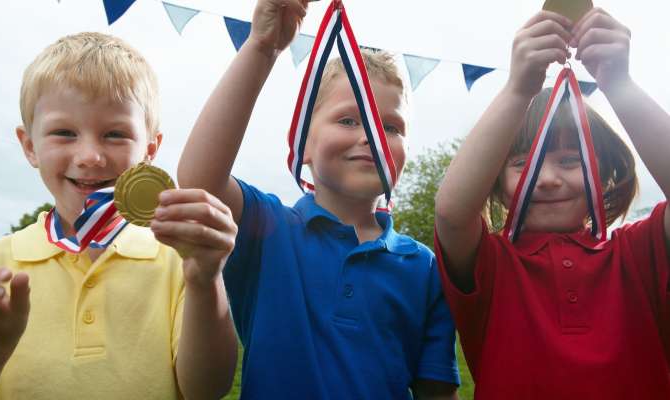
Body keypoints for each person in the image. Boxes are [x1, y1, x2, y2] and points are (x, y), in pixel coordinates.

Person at [177, 0, 460, 398]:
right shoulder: (269, 228)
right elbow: (200, 183)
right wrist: (262, 48)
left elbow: (436, 389)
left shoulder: (422, 265)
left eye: (391, 127)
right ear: (303, 146)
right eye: (348, 119)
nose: (370, 137)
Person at [0, 32, 238, 400]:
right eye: (64, 133)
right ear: (29, 146)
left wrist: (206, 280)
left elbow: (206, 390)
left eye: (115, 134)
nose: (90, 156)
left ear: (150, 149)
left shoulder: (180, 261)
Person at [434, 8, 670, 399]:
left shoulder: (638, 253)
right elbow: (450, 212)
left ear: (605, 173)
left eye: (569, 161)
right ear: (494, 184)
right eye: (522, 164)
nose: (545, 178)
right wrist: (517, 89)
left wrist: (619, 83)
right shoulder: (490, 263)